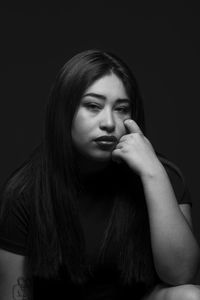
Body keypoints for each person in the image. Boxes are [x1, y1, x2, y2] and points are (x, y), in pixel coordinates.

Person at [0, 49, 200, 300]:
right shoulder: (25, 191)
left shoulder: (163, 176)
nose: (109, 122)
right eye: (93, 106)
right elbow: (13, 294)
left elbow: (181, 275)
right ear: (65, 113)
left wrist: (152, 174)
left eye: (121, 109)